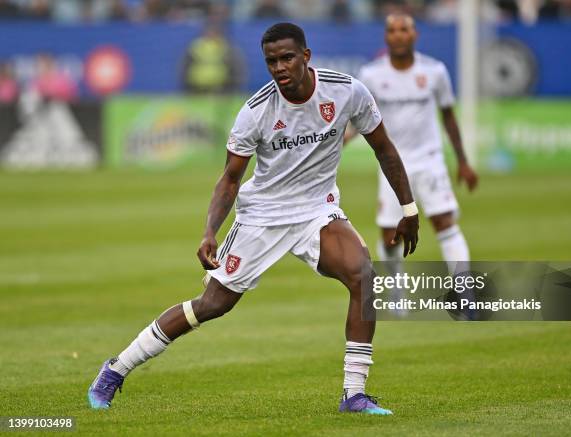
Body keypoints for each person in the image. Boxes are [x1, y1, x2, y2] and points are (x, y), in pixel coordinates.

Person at [88, 22, 419, 415]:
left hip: (316, 210)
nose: (279, 68)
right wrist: (209, 231)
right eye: (271, 61)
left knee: (363, 275)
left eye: (287, 58)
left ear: (306, 56)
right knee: (212, 305)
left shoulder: (346, 91)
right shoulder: (257, 111)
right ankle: (115, 369)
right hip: (262, 215)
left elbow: (384, 148)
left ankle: (354, 394)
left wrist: (409, 209)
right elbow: (230, 178)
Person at [347, 14, 477, 278]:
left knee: (444, 221)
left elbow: (448, 117)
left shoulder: (434, 72)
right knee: (389, 236)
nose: (398, 35)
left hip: (429, 160)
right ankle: (396, 293)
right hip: (393, 163)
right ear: (386, 36)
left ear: (415, 34)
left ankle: (465, 291)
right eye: (392, 30)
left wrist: (463, 161)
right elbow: (358, 120)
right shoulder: (371, 75)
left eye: (404, 29)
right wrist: (341, 141)